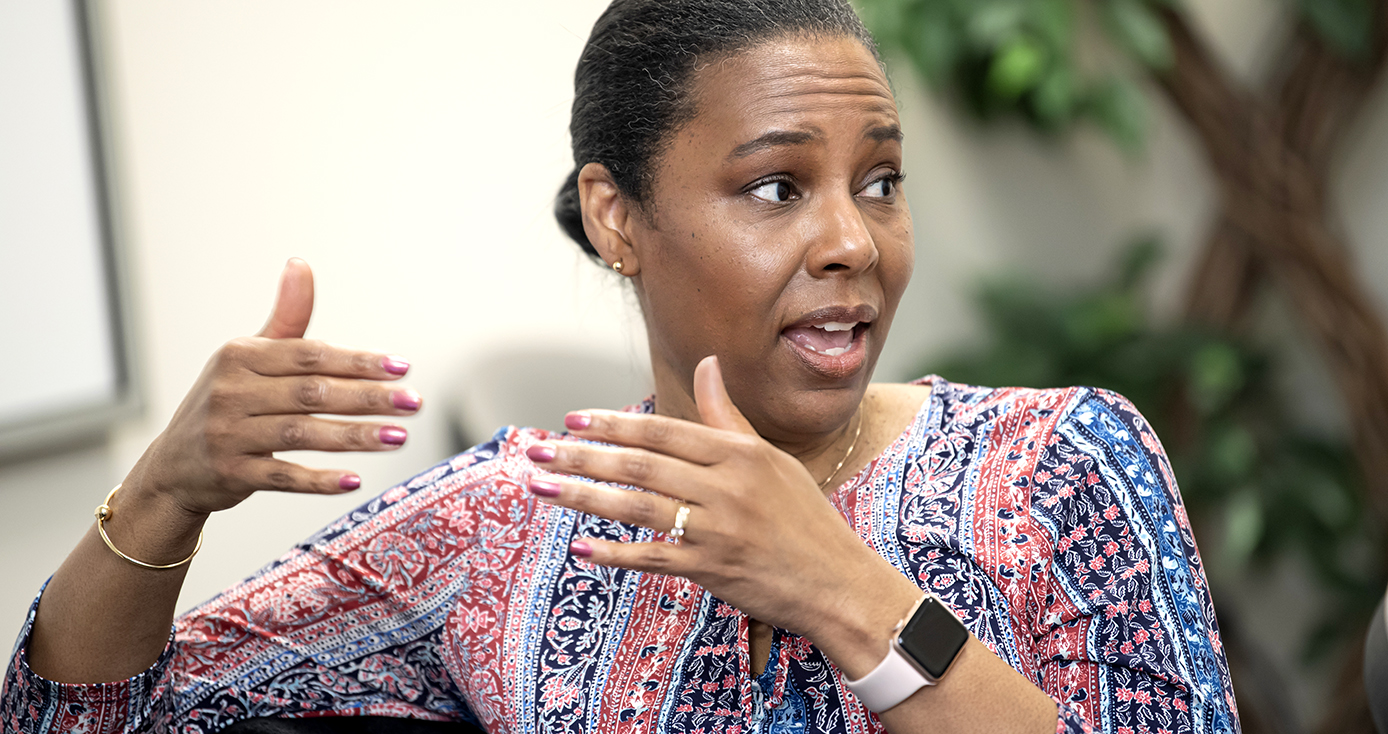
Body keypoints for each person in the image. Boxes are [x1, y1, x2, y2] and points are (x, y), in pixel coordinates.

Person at [1, 1, 1240, 732]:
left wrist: (847, 593)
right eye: (775, 187)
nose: (853, 240)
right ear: (617, 215)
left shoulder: (1062, 463)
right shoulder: (508, 519)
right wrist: (164, 488)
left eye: (879, 181)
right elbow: (77, 719)